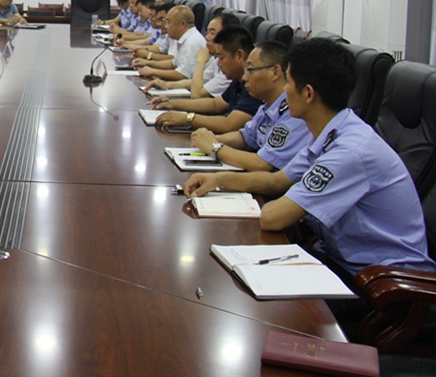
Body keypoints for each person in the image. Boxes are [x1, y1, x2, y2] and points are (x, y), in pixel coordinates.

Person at [183, 38, 435, 288]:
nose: (284, 91)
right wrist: (219, 180)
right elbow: (276, 180)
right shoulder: (330, 133)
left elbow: (272, 218)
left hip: (382, 284)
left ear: (308, 93)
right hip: (341, 260)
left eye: (289, 83)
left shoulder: (349, 151)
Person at [189, 41, 312, 171]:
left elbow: (264, 164)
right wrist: (211, 139)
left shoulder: (295, 112)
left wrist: (214, 147)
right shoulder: (268, 105)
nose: (244, 78)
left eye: (250, 70)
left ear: (275, 72)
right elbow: (246, 138)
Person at [153, 26, 264, 133]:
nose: (218, 63)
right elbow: (215, 104)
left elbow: (229, 125)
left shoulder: (254, 85)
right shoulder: (237, 80)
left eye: (221, 58)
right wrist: (172, 103)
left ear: (239, 56)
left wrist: (187, 118)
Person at [142, 13, 240, 98]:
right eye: (208, 32)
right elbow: (192, 81)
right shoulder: (218, 61)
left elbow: (196, 94)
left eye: (212, 33)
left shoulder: (229, 67)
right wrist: (166, 84)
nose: (207, 37)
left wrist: (200, 61)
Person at [131, 5, 205, 81]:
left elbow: (182, 75)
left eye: (169, 23)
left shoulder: (191, 42)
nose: (166, 26)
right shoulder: (184, 38)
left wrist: (153, 71)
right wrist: (147, 63)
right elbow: (173, 63)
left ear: (182, 24)